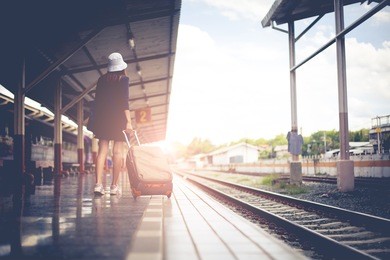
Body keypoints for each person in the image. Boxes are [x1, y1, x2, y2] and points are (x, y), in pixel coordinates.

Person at [92, 52, 133, 195]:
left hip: (103, 118)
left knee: (102, 151)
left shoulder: (102, 79)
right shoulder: (124, 79)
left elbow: (97, 101)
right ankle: (114, 186)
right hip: (118, 119)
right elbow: (124, 101)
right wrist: (128, 121)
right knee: (117, 152)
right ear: (121, 66)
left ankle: (98, 185)